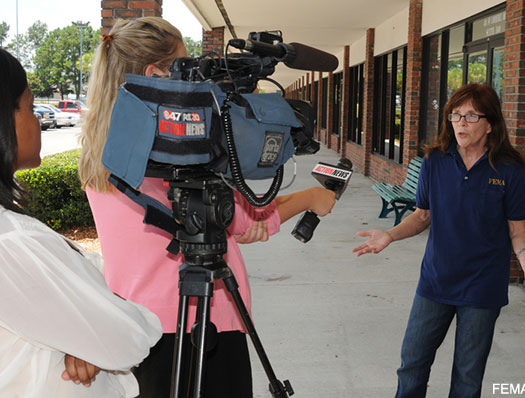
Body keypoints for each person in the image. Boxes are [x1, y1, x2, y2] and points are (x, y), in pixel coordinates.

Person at [78, 17, 336, 398]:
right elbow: (245, 219)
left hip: (137, 326)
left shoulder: (100, 152)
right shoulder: (176, 154)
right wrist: (311, 198)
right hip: (206, 321)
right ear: (155, 74)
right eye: (186, 67)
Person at [353, 83, 525, 398]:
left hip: (483, 285)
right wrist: (391, 235)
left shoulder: (508, 169)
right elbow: (423, 216)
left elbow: (517, 228)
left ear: (490, 124)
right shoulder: (435, 160)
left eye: (471, 116)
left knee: (467, 377)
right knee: (412, 363)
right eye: (455, 115)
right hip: (436, 280)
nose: (461, 123)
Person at [0, 48, 162, 397]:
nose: (38, 119)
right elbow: (127, 340)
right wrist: (94, 330)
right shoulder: (12, 242)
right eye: (29, 108)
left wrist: (85, 331)